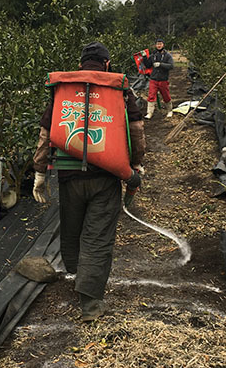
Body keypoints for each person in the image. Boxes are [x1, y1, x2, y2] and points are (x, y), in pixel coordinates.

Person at [32, 42, 146, 322]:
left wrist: (39, 173)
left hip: (69, 177)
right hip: (105, 178)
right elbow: (136, 130)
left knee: (71, 229)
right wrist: (135, 165)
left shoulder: (64, 89)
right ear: (107, 64)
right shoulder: (120, 89)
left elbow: (47, 133)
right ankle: (91, 303)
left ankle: (75, 272)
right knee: (97, 237)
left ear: (81, 63)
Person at [141, 38, 174, 119]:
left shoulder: (167, 55)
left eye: (160, 44)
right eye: (157, 44)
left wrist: (161, 64)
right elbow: (148, 65)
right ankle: (149, 113)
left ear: (163, 45)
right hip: (153, 79)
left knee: (166, 96)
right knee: (151, 96)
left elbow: (171, 66)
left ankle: (170, 110)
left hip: (163, 80)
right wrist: (145, 57)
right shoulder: (153, 55)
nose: (159, 45)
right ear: (155, 45)